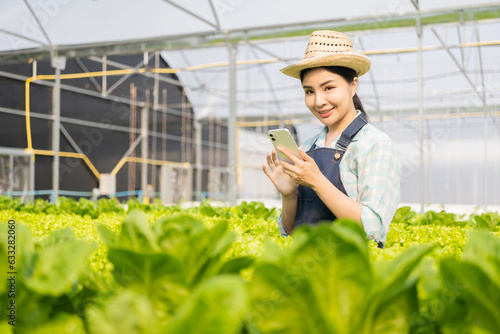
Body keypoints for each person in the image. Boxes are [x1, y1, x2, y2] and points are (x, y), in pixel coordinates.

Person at [262, 30, 401, 248]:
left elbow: (372, 229)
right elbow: (290, 231)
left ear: (353, 85)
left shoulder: (374, 145)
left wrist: (317, 181)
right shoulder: (307, 147)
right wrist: (289, 195)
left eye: (329, 88)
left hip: (347, 274)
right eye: (309, 91)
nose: (318, 101)